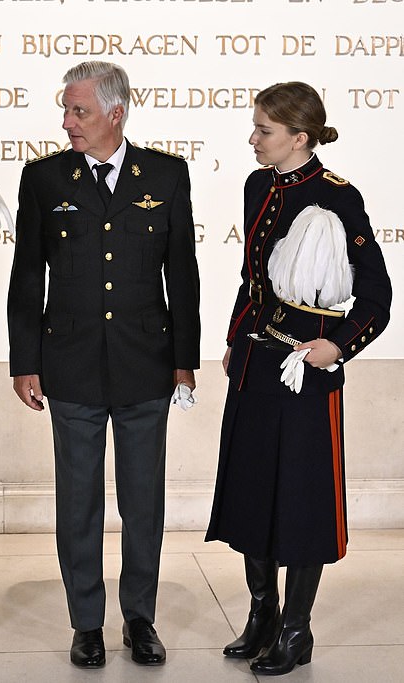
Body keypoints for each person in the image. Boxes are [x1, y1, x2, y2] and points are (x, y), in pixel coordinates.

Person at [7, 61, 200, 668]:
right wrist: (24, 360)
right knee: (79, 501)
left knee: (143, 501)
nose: (67, 123)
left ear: (116, 114)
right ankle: (86, 623)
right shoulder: (43, 178)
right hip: (70, 365)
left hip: (147, 362)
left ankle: (139, 620)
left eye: (79, 111)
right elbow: (25, 277)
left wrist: (185, 361)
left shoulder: (167, 174)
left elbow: (183, 274)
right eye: (66, 110)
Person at [205, 82, 391, 676]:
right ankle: (262, 612)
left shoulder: (340, 197)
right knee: (254, 489)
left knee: (302, 501)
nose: (253, 139)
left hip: (307, 374)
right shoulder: (258, 185)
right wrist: (236, 340)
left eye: (264, 130)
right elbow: (251, 280)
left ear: (299, 137)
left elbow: (377, 295)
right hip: (259, 366)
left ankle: (295, 629)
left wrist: (337, 346)